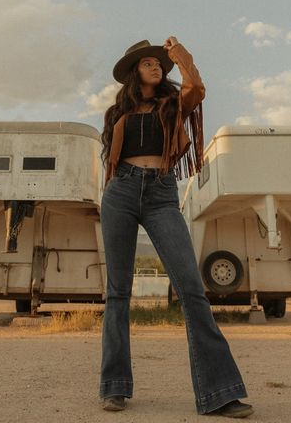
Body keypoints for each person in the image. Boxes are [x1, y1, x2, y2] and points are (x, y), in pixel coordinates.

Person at [98, 36, 254, 418]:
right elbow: (111, 164)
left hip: (161, 194)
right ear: (135, 72)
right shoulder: (116, 113)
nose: (154, 67)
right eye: (147, 63)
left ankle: (221, 393)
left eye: (158, 63)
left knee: (192, 290)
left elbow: (196, 88)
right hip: (120, 193)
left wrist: (178, 55)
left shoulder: (173, 104)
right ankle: (114, 387)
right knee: (118, 293)